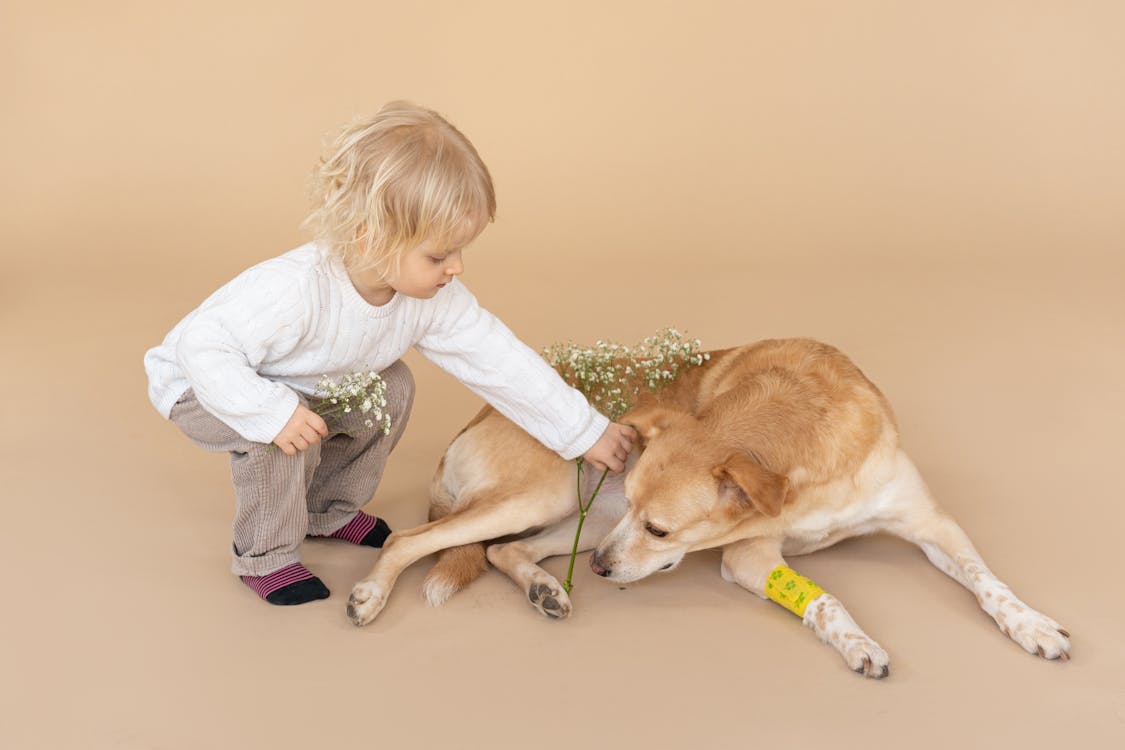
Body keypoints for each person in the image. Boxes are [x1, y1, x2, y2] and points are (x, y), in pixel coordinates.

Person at [143, 101, 636, 606]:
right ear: (371, 239)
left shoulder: (431, 299)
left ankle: (326, 508)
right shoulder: (293, 291)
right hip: (207, 382)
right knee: (282, 442)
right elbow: (204, 346)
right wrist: (270, 412)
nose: (457, 267)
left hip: (304, 384)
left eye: (461, 251)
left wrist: (582, 430)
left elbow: (498, 360)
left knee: (392, 385)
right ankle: (264, 556)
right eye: (439, 255)